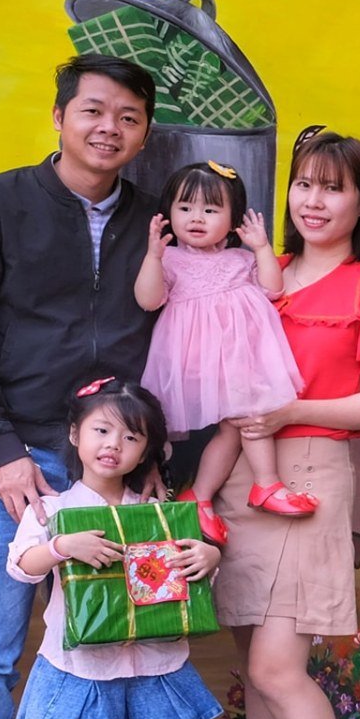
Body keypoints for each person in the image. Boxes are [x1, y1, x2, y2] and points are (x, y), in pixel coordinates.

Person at [0, 54, 161, 719]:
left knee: (91, 655)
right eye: (93, 110)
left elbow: (183, 338)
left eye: (128, 117)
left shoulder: (156, 221)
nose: (109, 128)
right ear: (60, 117)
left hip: (107, 470)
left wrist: (153, 461)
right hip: (7, 459)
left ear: (144, 134)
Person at [213, 130, 360, 719]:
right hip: (239, 472)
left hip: (308, 473)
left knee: (276, 667)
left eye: (333, 188)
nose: (314, 200)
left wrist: (291, 410)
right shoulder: (257, 273)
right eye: (304, 184)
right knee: (256, 669)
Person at [7, 378, 223, 719]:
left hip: (148, 664)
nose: (113, 445)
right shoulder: (54, 510)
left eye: (130, 437)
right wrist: (62, 546)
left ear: (145, 453)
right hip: (83, 669)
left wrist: (210, 556)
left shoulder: (156, 513)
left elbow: (189, 574)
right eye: (101, 430)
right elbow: (22, 566)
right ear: (75, 434)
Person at [135, 160, 308, 543]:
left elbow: (273, 289)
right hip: (197, 366)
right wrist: (153, 256)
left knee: (238, 425)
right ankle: (264, 484)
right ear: (169, 213)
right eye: (185, 208)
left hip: (239, 364)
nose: (196, 218)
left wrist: (261, 248)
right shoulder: (170, 259)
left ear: (233, 221)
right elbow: (148, 300)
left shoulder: (241, 259)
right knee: (247, 419)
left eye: (211, 210)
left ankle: (202, 497)